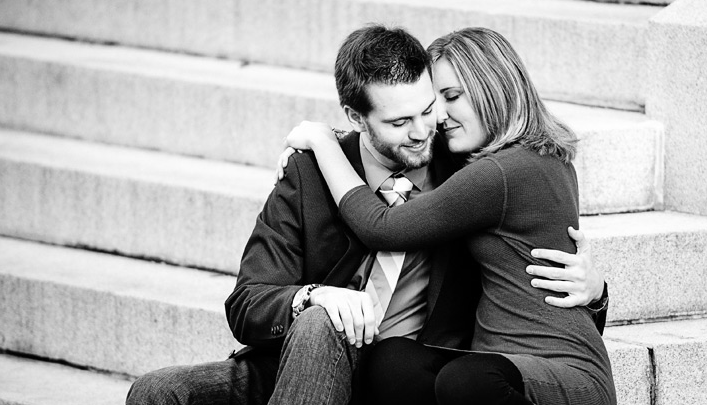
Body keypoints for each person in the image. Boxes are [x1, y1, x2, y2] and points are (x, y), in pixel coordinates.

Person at [125, 25, 608, 405]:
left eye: (429, 108)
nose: (425, 130)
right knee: (157, 393)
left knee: (332, 331)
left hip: (400, 378)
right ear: (357, 119)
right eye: (400, 122)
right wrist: (313, 297)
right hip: (304, 367)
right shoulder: (311, 176)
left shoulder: (466, 164)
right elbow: (247, 302)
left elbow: (525, 268)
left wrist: (595, 292)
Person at [283, 27, 616, 405]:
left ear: (492, 87)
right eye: (432, 102)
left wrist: (325, 146)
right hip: (495, 363)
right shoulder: (528, 160)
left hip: (561, 373)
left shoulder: (504, 173)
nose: (438, 117)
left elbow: (384, 228)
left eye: (451, 97)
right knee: (392, 362)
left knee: (468, 382)